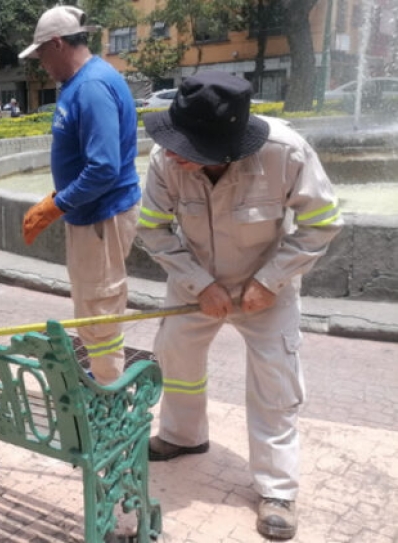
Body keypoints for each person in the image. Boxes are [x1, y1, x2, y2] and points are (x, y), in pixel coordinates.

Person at [137, 71, 343, 540]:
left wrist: (270, 281)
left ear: (225, 148)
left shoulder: (286, 152)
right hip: (194, 282)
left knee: (276, 380)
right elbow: (151, 228)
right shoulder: (165, 159)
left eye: (187, 147)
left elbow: (323, 221)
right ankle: (183, 435)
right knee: (176, 356)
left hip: (265, 287)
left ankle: (277, 489)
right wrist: (198, 283)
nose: (172, 152)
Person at [18, 6, 141, 385]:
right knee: (91, 301)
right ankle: (103, 374)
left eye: (42, 54)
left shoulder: (91, 87)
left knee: (99, 306)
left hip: (101, 216)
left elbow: (104, 168)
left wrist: (56, 205)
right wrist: (61, 198)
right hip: (90, 214)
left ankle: (108, 388)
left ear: (57, 43)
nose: (41, 64)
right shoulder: (82, 82)